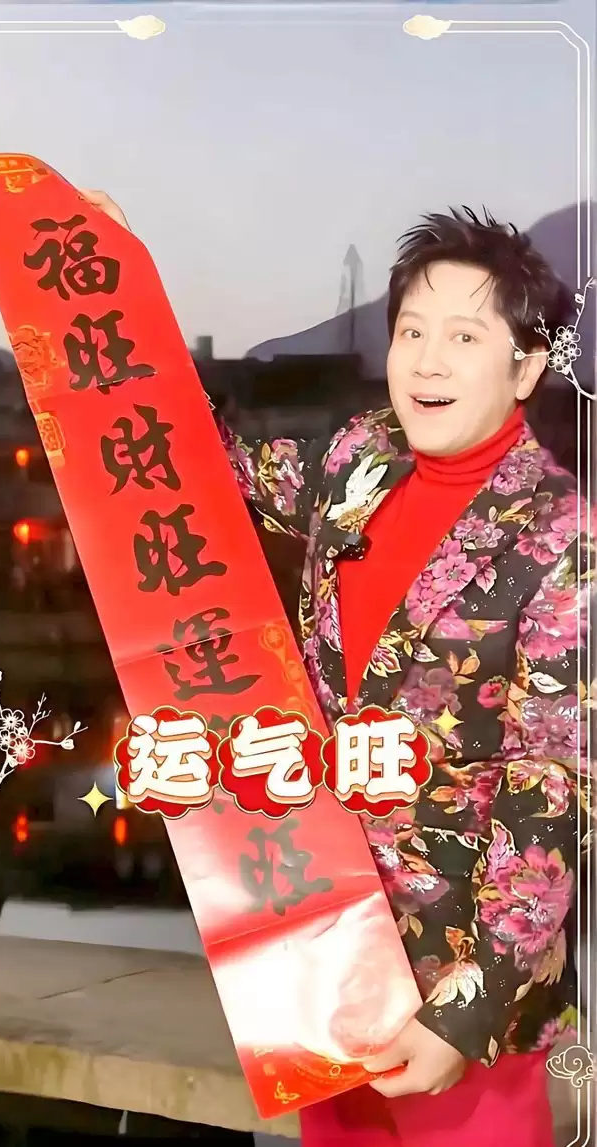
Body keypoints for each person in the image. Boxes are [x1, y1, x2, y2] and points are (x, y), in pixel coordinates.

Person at [81, 193, 590, 1147]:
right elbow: (203, 462)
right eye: (412, 330)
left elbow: (553, 788)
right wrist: (114, 291)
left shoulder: (563, 535)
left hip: (455, 996)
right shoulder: (362, 458)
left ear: (525, 366)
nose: (428, 361)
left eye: (465, 337)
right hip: (324, 948)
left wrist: (463, 1015)